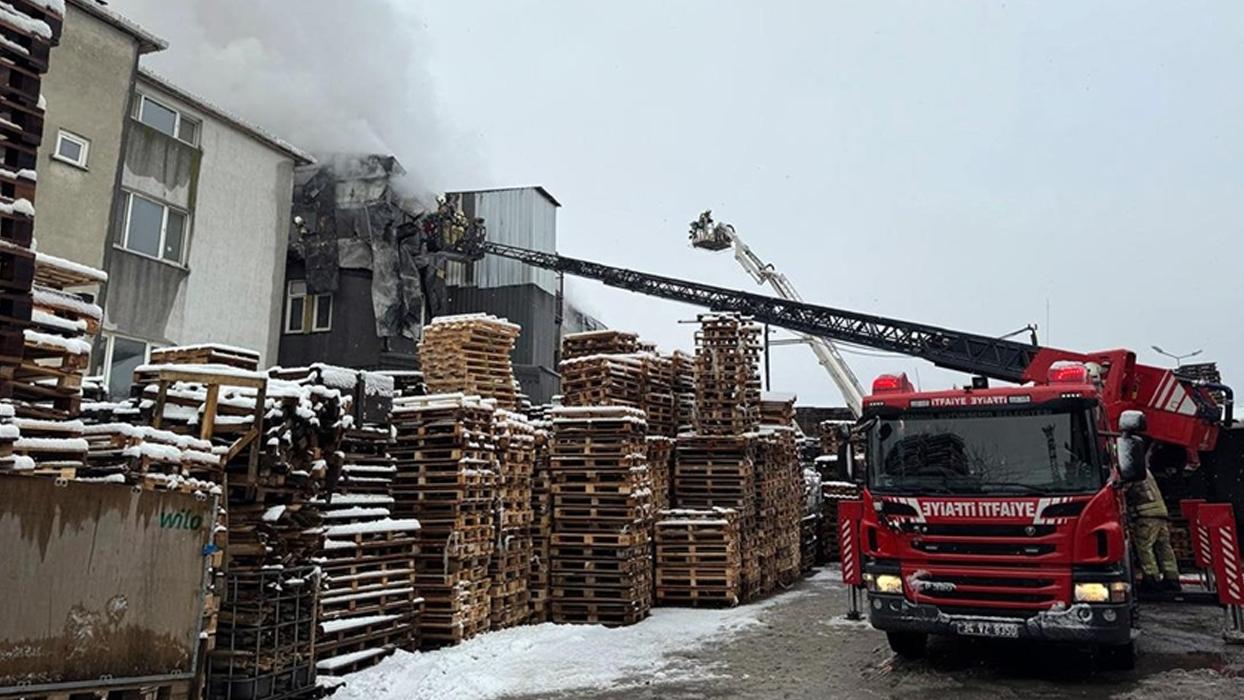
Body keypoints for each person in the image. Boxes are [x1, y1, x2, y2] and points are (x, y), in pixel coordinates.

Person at [1127, 467, 1181, 593]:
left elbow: (1123, 488)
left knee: (1145, 547)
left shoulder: (1131, 471)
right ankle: (1172, 579)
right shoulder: (1145, 471)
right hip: (1160, 513)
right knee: (1164, 547)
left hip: (1146, 515)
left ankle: (1151, 579)